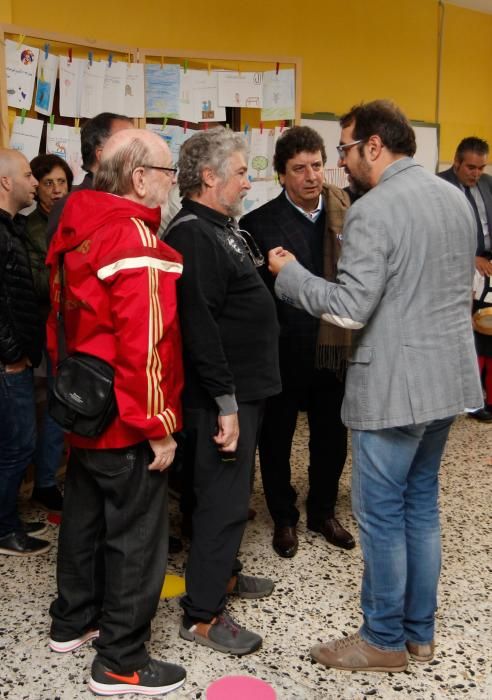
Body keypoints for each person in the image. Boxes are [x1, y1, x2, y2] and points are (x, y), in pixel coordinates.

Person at [268, 100, 483, 672]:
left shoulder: (373, 209)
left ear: (372, 146)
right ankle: (420, 634)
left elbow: (349, 308)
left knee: (384, 516)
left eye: (342, 149)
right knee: (422, 509)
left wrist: (291, 277)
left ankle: (382, 640)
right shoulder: (454, 197)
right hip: (447, 382)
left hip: (393, 389)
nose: (338, 163)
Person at [46, 129, 186, 696]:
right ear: (140, 178)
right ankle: (121, 660)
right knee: (136, 536)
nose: (173, 180)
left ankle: (72, 621)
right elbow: (146, 343)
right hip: (127, 415)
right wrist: (159, 428)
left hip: (83, 405)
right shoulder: (133, 237)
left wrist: (72, 395)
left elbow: (58, 317)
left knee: (83, 517)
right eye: (168, 169)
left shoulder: (77, 223)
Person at [165, 127, 281, 656]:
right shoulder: (192, 232)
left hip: (243, 391)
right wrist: (226, 402)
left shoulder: (221, 226)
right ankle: (203, 615)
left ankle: (224, 577)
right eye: (240, 172)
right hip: (221, 397)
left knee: (231, 496)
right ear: (209, 177)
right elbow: (200, 326)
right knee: (221, 501)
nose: (247, 181)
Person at [240, 126, 355, 558]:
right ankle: (283, 516)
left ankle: (323, 511)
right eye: (299, 168)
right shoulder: (258, 224)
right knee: (276, 437)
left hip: (334, 347)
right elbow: (253, 299)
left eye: (316, 165)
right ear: (281, 175)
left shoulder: (347, 214)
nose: (311, 176)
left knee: (332, 436)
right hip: (283, 351)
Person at [0, 149, 49, 556]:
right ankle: (3, 528)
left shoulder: (11, 228)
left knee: (15, 444)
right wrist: (12, 354)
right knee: (17, 446)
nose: (35, 183)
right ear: (5, 182)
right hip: (7, 364)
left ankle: (8, 517)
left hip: (17, 359)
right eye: (29, 175)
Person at [25, 154, 74, 512]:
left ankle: (51, 478)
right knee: (50, 412)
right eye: (48, 183)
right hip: (45, 330)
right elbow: (37, 282)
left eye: (62, 182)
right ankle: (42, 482)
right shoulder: (31, 228)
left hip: (71, 328)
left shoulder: (73, 218)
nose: (57, 190)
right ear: (36, 187)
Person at [439, 137, 492, 421]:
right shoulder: (438, 186)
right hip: (457, 269)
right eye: (470, 167)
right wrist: (471, 257)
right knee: (465, 335)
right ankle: (466, 398)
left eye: (481, 167)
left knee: (488, 330)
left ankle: (484, 394)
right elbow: (438, 234)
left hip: (488, 268)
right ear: (456, 162)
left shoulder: (487, 183)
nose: (476, 173)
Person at [46, 112, 132, 241]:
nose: (139, 154)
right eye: (129, 145)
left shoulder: (128, 201)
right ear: (103, 155)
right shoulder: (70, 207)